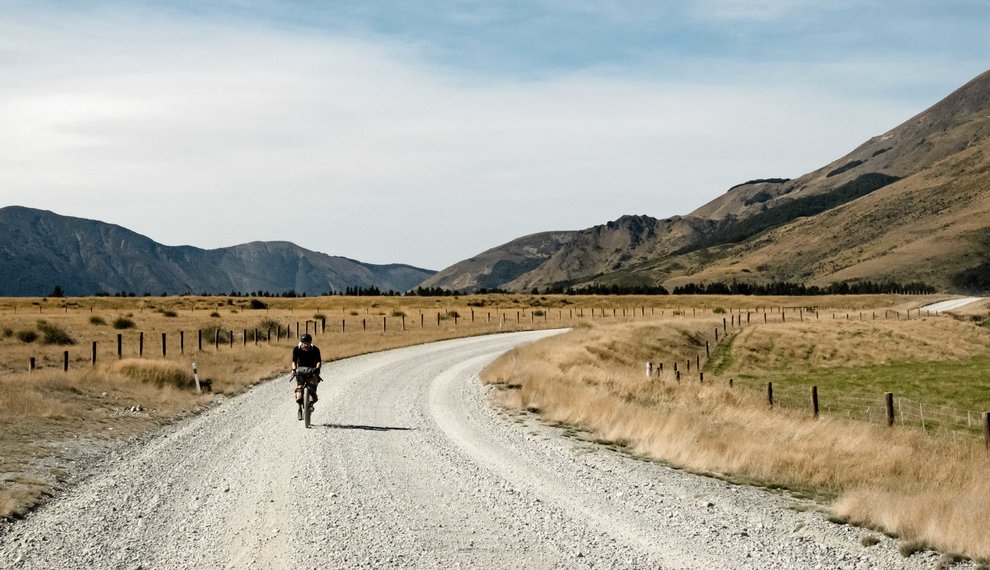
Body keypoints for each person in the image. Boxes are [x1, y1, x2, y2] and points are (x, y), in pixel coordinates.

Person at [291, 333, 322, 420]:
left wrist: (317, 369)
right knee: (299, 391)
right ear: (302, 342)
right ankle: (300, 409)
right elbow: (294, 361)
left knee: (313, 389)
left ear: (310, 342)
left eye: (308, 343)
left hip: (312, 371)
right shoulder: (296, 349)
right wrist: (294, 370)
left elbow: (318, 361)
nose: (307, 345)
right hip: (300, 371)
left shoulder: (315, 349)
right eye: (305, 343)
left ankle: (310, 404)